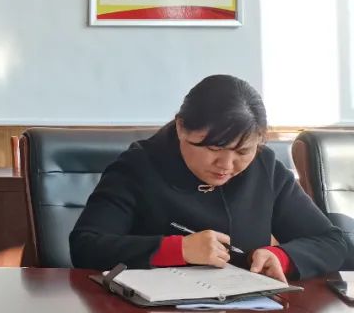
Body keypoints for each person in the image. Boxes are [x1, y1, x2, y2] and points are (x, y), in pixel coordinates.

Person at [70, 74, 346, 281]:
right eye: (214, 149)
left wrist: (280, 257)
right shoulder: (138, 166)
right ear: (181, 128)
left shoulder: (264, 167)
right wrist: (178, 249)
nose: (226, 165)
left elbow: (330, 242)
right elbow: (86, 245)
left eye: (243, 151)